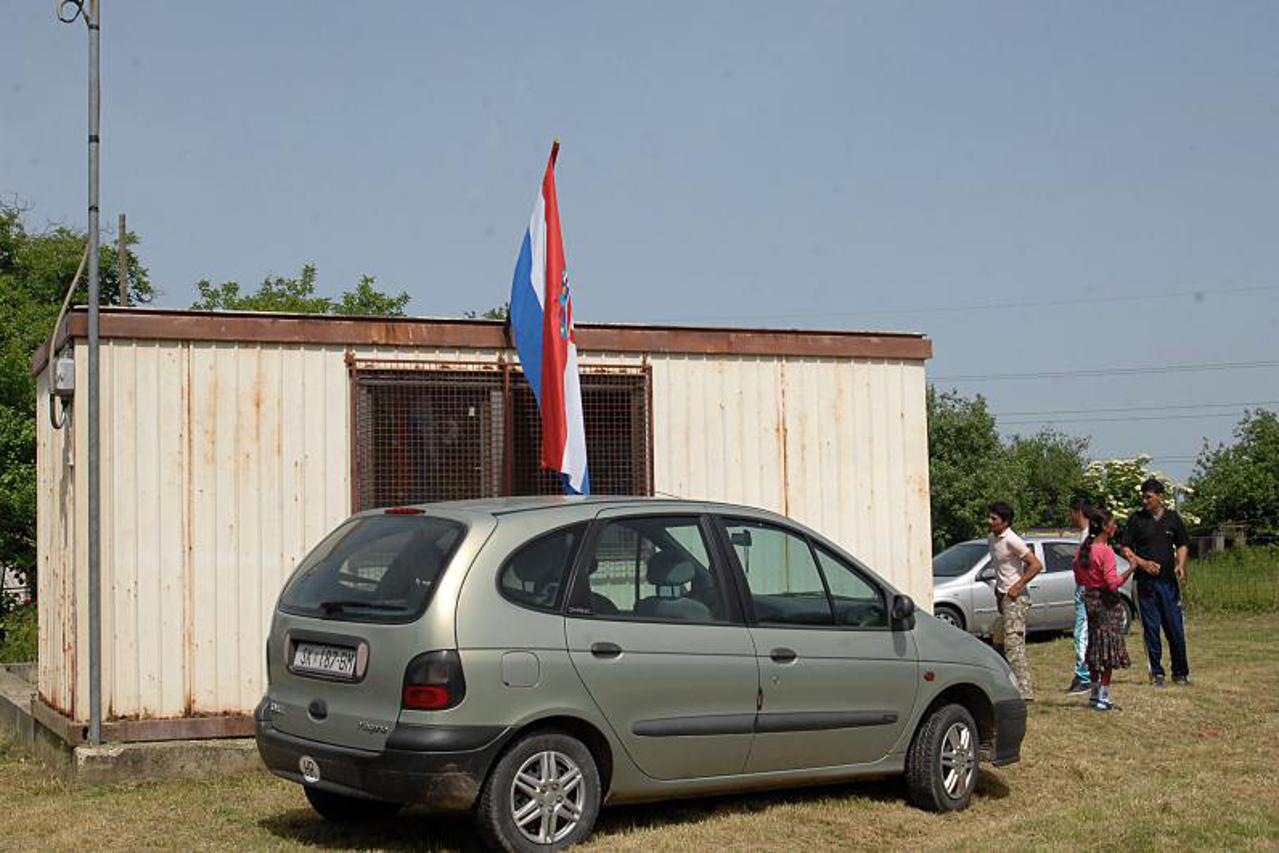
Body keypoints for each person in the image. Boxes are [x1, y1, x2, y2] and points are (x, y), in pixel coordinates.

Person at [1118, 478, 1191, 686]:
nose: (1145, 500)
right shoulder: (1136, 520)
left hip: (1168, 584)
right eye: (1143, 497)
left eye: (1148, 497)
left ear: (1160, 497)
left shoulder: (1172, 518)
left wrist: (1181, 564)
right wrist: (1142, 563)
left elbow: (1183, 544)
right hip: (1145, 585)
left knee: (1175, 628)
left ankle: (1180, 673)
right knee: (1151, 629)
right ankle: (1157, 673)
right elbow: (1125, 547)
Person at [1074, 507, 1137, 711]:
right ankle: (1104, 696)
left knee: (1094, 647)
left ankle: (1094, 694)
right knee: (1108, 650)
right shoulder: (1105, 551)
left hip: (1090, 601)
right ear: (1104, 526)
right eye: (1113, 523)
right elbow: (1112, 583)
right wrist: (1130, 569)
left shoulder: (1083, 550)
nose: (1115, 527)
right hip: (1107, 603)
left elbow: (1078, 576)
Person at [986, 501, 1043, 702]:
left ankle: (1025, 692)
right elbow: (1000, 569)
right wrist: (999, 592)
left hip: (1016, 598)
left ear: (1005, 522)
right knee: (999, 640)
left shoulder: (1012, 539)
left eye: (994, 518)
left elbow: (1036, 565)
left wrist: (1016, 587)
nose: (989, 521)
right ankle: (1007, 684)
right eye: (989, 517)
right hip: (1003, 596)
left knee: (1014, 644)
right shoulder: (992, 538)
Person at [1065, 497, 1093, 696]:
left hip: (1086, 590)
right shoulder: (1083, 535)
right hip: (1081, 589)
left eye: (1071, 512)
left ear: (1078, 512)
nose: (1070, 516)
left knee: (1081, 634)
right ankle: (1081, 673)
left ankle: (1085, 677)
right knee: (1082, 633)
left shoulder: (1089, 537)